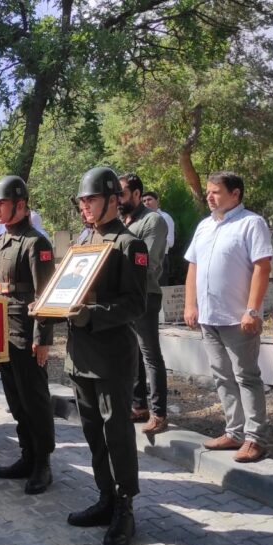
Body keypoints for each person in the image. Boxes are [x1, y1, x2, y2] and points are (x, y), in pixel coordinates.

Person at [64, 167, 148, 545]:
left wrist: (92, 315)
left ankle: (125, 508)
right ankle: (105, 497)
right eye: (82, 201)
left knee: (117, 433)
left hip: (111, 356)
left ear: (113, 200)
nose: (85, 207)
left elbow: (135, 304)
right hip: (80, 354)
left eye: (91, 200)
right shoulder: (84, 240)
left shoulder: (130, 245)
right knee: (92, 432)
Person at [184, 171, 273, 463]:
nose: (209, 197)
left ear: (235, 194)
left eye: (216, 192)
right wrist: (190, 304)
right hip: (209, 316)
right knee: (222, 376)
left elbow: (262, 267)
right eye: (208, 192)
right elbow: (193, 266)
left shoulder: (251, 223)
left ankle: (255, 438)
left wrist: (252, 310)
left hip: (238, 317)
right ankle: (234, 431)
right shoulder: (204, 226)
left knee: (246, 376)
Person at [0, 175, 56, 495]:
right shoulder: (2, 240)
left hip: (26, 335)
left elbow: (45, 295)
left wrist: (42, 339)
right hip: (4, 334)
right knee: (16, 400)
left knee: (34, 401)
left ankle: (43, 462)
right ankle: (27, 454)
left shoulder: (35, 243)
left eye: (1, 203)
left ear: (20, 204)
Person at [119, 174, 170, 434]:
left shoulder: (153, 221)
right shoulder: (121, 221)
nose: (118, 199)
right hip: (124, 296)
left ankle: (159, 413)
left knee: (150, 354)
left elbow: (147, 263)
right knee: (132, 352)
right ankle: (139, 406)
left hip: (146, 295)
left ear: (137, 194)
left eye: (122, 194)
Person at [142, 191, 175, 286]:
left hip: (160, 259)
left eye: (149, 199)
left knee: (160, 290)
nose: (146, 202)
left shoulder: (165, 217)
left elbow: (170, 242)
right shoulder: (142, 219)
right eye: (144, 201)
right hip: (144, 260)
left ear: (157, 201)